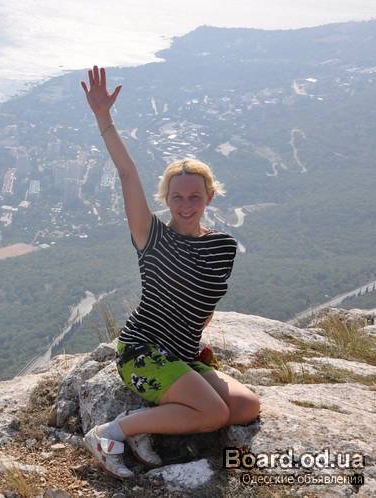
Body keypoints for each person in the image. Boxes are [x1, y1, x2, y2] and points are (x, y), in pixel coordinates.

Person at [79, 65, 260, 478]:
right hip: (143, 351)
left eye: (195, 196)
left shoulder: (222, 247)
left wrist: (193, 348)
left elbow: (205, 307)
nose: (186, 205)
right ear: (166, 198)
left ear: (209, 197)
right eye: (177, 197)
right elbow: (128, 173)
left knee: (245, 406)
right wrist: (104, 118)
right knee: (214, 413)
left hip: (183, 355)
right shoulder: (151, 236)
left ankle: (156, 418)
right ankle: (111, 432)